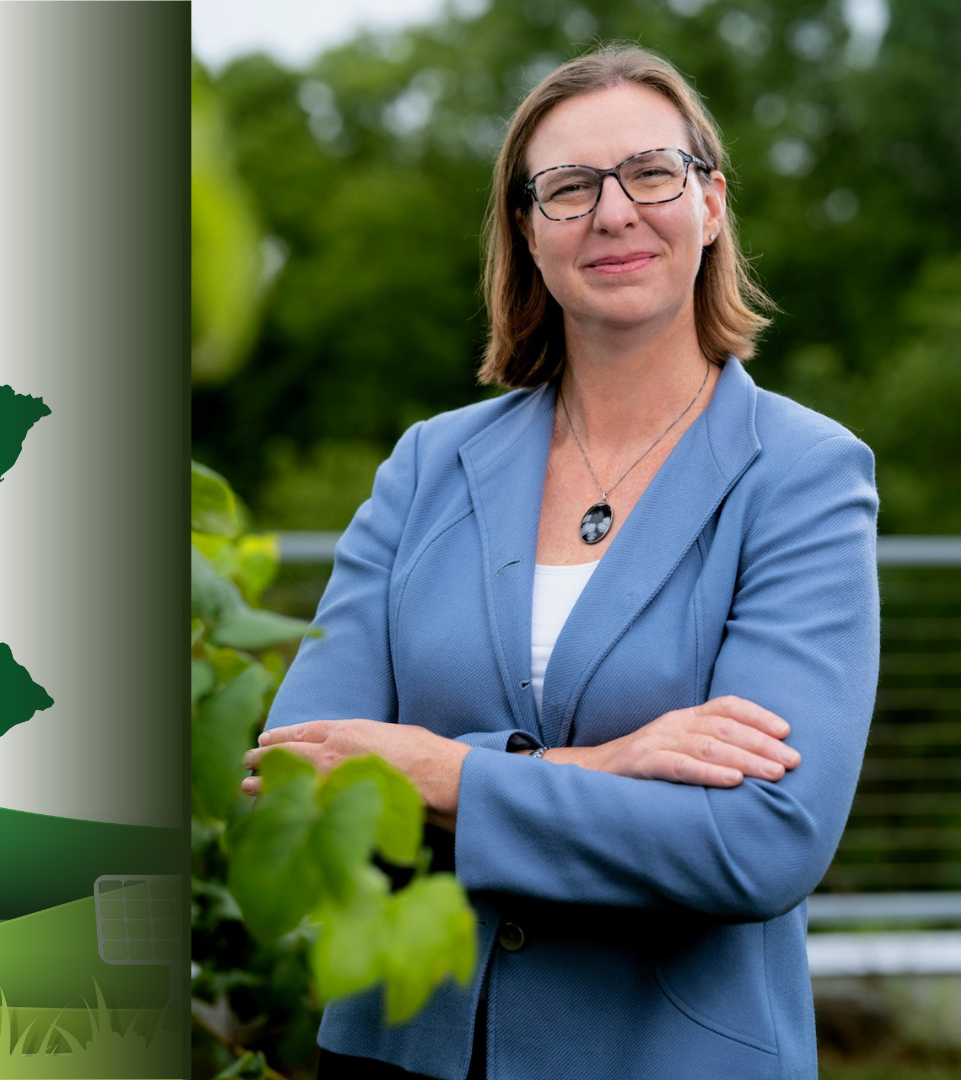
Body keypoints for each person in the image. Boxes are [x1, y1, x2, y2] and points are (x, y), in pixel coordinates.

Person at [238, 44, 879, 1080]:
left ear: (710, 203)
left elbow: (762, 842)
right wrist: (606, 766)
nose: (614, 213)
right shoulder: (427, 466)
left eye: (652, 174)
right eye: (569, 188)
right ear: (527, 234)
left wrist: (443, 771)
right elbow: (302, 778)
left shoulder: (803, 476)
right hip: (402, 1050)